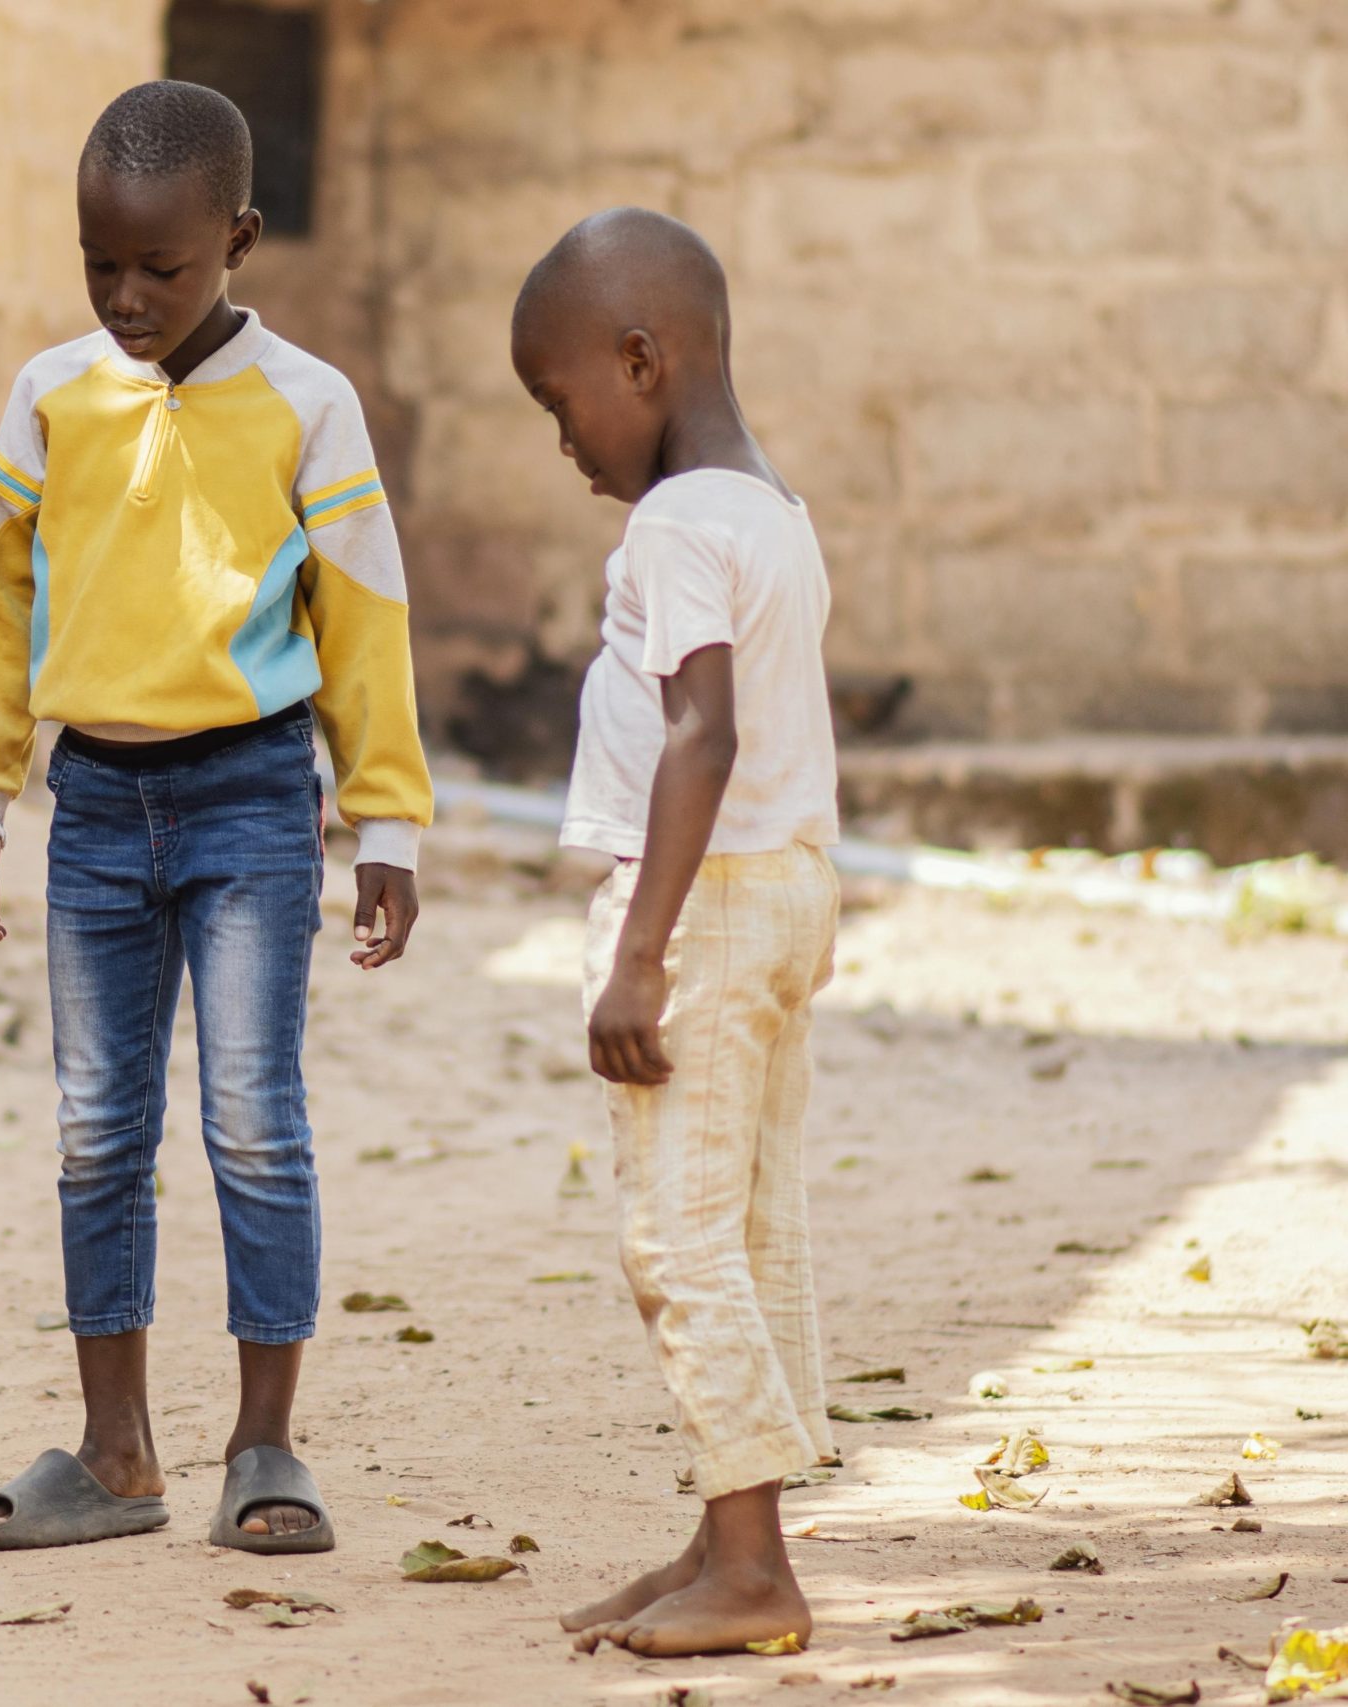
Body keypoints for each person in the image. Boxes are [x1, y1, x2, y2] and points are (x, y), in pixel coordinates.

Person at [0, 82, 433, 1556]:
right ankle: (116, 1454)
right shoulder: (51, 395)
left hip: (254, 799)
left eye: (161, 267)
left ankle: (265, 1445)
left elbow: (364, 617)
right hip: (93, 802)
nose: (127, 297)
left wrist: (388, 826)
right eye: (101, 263)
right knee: (97, 1131)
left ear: (240, 241)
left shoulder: (309, 403)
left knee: (255, 1124)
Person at [510, 207, 841, 1657]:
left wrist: (640, 950)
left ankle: (756, 1569)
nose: (562, 440)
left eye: (559, 400)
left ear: (641, 361)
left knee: (676, 1240)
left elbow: (701, 734)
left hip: (701, 906)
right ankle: (723, 1540)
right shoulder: (774, 511)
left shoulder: (676, 524)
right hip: (787, 888)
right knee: (752, 1223)